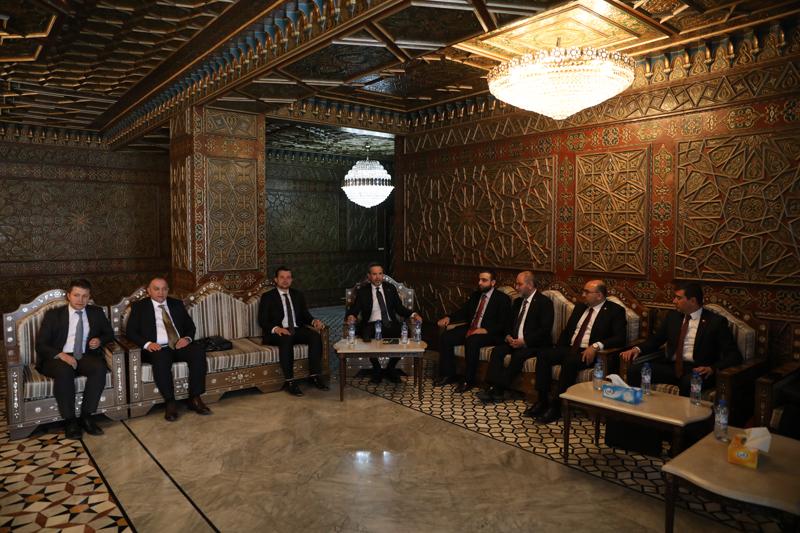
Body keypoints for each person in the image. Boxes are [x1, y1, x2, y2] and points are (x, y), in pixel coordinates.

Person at [621, 282, 742, 396]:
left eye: (678, 298)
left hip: (698, 370)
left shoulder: (715, 322)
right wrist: (637, 349)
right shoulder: (673, 317)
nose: (674, 301)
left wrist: (712, 368)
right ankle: (637, 407)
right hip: (672, 367)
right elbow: (656, 340)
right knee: (634, 370)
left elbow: (734, 355)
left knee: (688, 383)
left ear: (693, 301)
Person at [531, 279, 627, 423]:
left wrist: (596, 346)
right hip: (570, 348)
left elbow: (620, 338)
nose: (583, 295)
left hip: (590, 352)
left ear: (599, 295)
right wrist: (558, 348)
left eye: (587, 292)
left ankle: (556, 407)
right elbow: (567, 331)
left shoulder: (615, 311)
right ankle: (542, 400)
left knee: (569, 362)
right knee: (544, 354)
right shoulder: (580, 307)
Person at [36, 279, 114, 439]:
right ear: (68, 296)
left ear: (89, 297)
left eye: (85, 296)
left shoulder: (96, 312)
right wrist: (62, 355)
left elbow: (109, 334)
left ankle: (87, 416)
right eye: (76, 295)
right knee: (65, 371)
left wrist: (99, 340)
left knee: (99, 367)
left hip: (84, 355)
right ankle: (70, 421)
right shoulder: (54, 315)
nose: (80, 300)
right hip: (57, 357)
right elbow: (41, 344)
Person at [126, 277, 211, 421]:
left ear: (168, 290)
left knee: (197, 352)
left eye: (164, 289)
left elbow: (190, 327)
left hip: (178, 345)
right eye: (156, 289)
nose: (161, 292)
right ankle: (170, 401)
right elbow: (131, 332)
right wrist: (147, 344)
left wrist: (186, 339)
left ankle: (195, 398)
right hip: (157, 348)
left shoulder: (176, 304)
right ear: (149, 291)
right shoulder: (139, 307)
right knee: (161, 359)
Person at [477, 271, 553, 403]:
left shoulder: (544, 302)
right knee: (497, 351)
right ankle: (491, 385)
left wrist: (525, 341)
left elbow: (545, 330)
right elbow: (508, 323)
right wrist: (507, 335)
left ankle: (498, 389)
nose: (516, 287)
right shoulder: (518, 302)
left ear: (530, 285)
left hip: (534, 344)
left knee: (518, 355)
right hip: (514, 341)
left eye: (519, 284)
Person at [435, 268, 512, 393]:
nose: (480, 283)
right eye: (479, 280)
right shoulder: (476, 295)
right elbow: (464, 311)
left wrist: (485, 330)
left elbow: (504, 323)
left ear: (493, 283)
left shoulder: (502, 299)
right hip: (472, 328)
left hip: (490, 333)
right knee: (446, 337)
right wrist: (449, 317)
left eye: (484, 280)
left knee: (472, 340)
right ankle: (448, 374)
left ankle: (468, 380)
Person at [346, 262, 421, 383]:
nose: (378, 277)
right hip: (371, 324)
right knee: (366, 336)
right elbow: (355, 309)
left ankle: (391, 368)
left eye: (380, 274)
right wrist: (351, 316)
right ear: (369, 276)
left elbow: (399, 308)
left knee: (402, 334)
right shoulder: (362, 291)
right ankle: (377, 368)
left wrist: (414, 314)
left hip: (389, 323)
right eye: (374, 274)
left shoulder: (390, 288)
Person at [259, 266, 329, 396]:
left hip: (296, 329)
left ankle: (314, 376)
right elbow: (262, 320)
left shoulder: (298, 295)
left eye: (288, 277)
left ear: (291, 280)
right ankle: (290, 381)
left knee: (314, 336)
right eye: (282, 277)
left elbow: (305, 315)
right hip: (277, 332)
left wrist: (314, 321)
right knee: (286, 338)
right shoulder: (268, 297)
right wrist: (276, 328)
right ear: (276, 279)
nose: (285, 280)